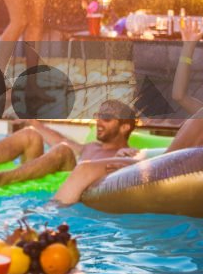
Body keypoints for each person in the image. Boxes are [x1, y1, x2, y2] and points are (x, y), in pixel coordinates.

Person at [53, 20, 203, 205]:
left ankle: (49, 217)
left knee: (84, 171)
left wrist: (139, 163)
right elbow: (179, 95)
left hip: (166, 170)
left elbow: (176, 160)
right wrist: (188, 47)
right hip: (165, 164)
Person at [0, 99, 136, 187]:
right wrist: (33, 122)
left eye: (107, 118)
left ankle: (3, 178)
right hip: (65, 173)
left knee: (63, 151)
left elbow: (147, 164)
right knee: (30, 134)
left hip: (79, 189)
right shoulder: (92, 147)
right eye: (98, 117)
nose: (98, 122)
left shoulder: (130, 154)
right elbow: (61, 140)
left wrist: (127, 160)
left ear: (125, 127)